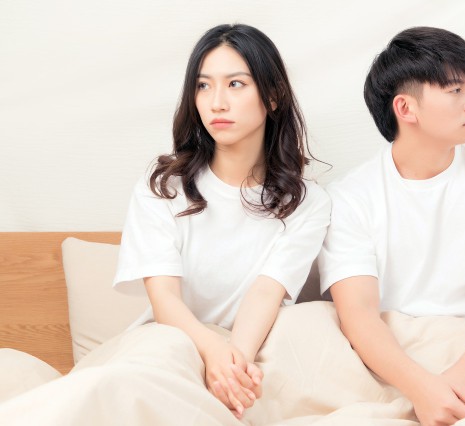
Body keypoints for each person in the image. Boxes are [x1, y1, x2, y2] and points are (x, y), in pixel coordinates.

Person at [318, 26, 465, 426]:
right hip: (397, 358)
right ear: (405, 108)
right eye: (455, 91)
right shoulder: (350, 196)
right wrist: (422, 389)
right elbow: (358, 312)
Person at [110, 23, 330, 419]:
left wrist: (233, 367)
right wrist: (212, 351)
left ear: (273, 95)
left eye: (235, 84)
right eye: (203, 86)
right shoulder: (164, 187)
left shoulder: (308, 204)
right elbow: (165, 300)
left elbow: (265, 293)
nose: (216, 103)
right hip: (172, 340)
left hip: (247, 349)